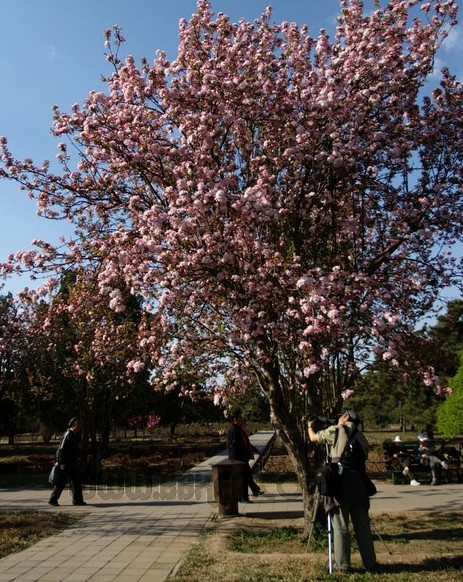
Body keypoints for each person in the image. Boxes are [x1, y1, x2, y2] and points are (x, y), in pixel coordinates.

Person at [308, 410, 377, 573]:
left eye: (341, 416)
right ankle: (370, 563)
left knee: (340, 526)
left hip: (340, 484)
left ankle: (343, 565)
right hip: (359, 484)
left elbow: (314, 438)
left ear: (346, 418)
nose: (338, 418)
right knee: (363, 527)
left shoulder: (337, 430)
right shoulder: (361, 436)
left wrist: (309, 427)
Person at [49, 417, 87, 506]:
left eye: (80, 424)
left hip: (73, 463)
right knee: (61, 482)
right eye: (78, 424)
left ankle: (77, 500)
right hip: (65, 463)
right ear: (73, 425)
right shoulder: (67, 434)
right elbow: (61, 449)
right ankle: (53, 500)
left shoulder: (75, 435)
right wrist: (59, 461)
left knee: (76, 482)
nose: (80, 426)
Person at [227, 409, 263, 502]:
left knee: (246, 477)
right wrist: (235, 459)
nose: (242, 420)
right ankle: (244, 497)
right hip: (239, 459)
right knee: (244, 478)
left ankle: (245, 496)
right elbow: (233, 445)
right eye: (240, 418)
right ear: (235, 419)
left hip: (242, 458)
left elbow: (246, 443)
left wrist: (255, 450)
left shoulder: (238, 429)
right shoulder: (234, 430)